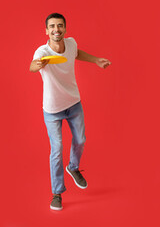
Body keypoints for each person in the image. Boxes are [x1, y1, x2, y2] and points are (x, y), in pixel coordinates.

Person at [29, 13, 111, 210]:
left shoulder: (71, 43)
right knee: (56, 149)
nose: (56, 29)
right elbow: (32, 66)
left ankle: (73, 167)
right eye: (52, 27)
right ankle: (57, 193)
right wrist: (37, 65)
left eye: (60, 26)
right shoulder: (42, 51)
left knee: (81, 140)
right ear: (46, 31)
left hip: (74, 103)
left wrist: (96, 60)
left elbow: (76, 53)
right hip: (52, 110)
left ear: (65, 28)